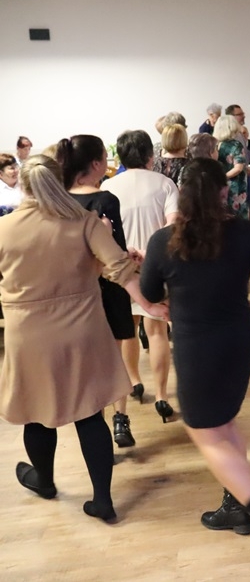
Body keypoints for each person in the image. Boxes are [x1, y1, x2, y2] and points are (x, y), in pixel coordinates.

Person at [140, 158, 250, 552]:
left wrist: (148, 267)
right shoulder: (246, 233)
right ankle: (235, 507)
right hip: (239, 341)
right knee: (226, 422)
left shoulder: (163, 241)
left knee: (205, 432)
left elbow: (149, 294)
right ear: (223, 191)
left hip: (197, 347)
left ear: (181, 195)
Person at [0, 156, 167, 522]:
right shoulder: (85, 222)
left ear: (24, 187)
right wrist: (148, 306)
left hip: (28, 334)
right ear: (60, 182)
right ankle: (103, 500)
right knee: (89, 413)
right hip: (82, 329)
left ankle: (44, 481)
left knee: (36, 413)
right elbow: (120, 270)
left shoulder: (4, 228)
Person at [56, 135, 139, 448]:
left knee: (89, 363)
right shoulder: (105, 200)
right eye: (105, 157)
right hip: (109, 286)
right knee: (114, 357)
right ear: (95, 164)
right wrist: (128, 258)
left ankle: (98, 424)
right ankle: (121, 418)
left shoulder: (59, 201)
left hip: (77, 289)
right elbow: (112, 250)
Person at [100, 130, 179, 423]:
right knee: (157, 330)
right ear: (150, 155)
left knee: (127, 330)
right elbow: (172, 226)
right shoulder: (164, 184)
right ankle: (162, 395)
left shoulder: (108, 186)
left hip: (119, 268)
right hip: (156, 264)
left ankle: (134, 381)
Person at [214, 114, 248, 219]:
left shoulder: (216, 145)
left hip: (219, 185)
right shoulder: (236, 145)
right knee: (238, 216)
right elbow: (238, 168)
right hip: (235, 185)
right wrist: (224, 177)